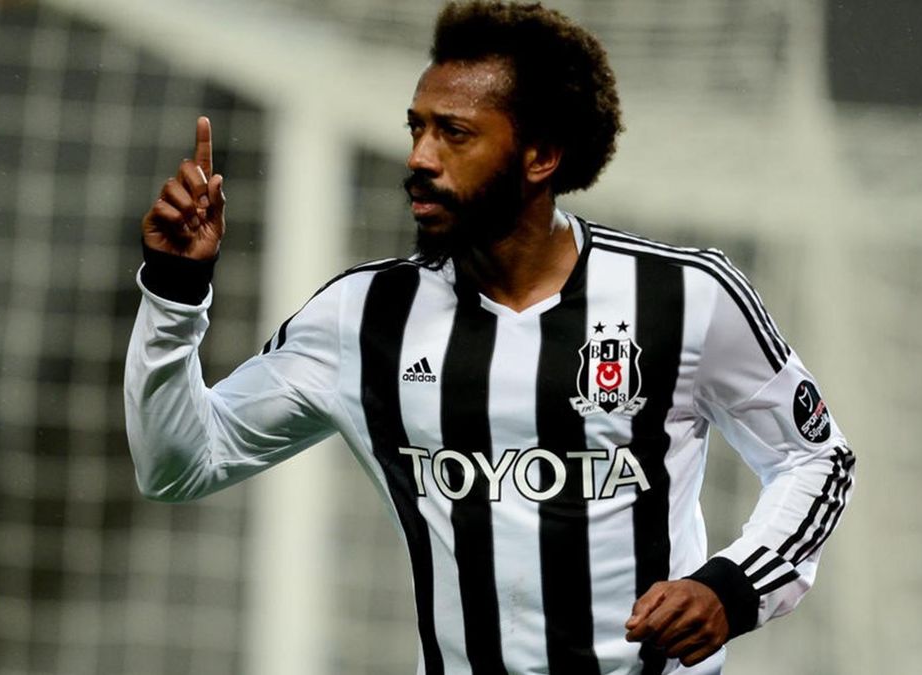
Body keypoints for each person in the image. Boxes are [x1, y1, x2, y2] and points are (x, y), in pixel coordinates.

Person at [124, 2, 855, 673]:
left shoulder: (684, 296)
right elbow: (180, 465)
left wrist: (734, 586)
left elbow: (816, 458)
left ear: (540, 156)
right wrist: (174, 290)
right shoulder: (364, 315)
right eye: (416, 128)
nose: (420, 157)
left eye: (454, 133)